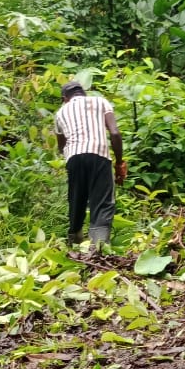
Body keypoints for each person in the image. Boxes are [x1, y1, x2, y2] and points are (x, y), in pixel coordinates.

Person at [55, 81, 126, 248]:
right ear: (83, 93)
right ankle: (99, 246)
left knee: (76, 198)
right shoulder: (100, 102)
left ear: (65, 98)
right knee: (102, 201)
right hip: (99, 154)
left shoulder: (60, 113)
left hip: (73, 157)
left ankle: (75, 241)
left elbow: (61, 146)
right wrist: (119, 162)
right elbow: (115, 133)